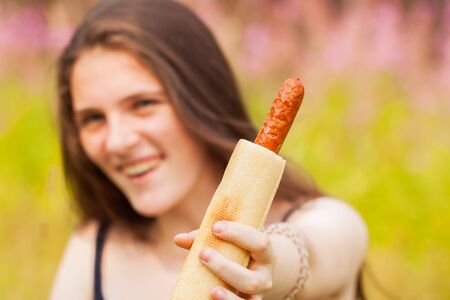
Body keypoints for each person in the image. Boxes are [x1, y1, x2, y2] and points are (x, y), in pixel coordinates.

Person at [50, 0, 368, 299]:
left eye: (144, 104)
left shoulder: (331, 221)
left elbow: (307, 255)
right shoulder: (94, 246)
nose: (118, 141)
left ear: (201, 98)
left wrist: (267, 260)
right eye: (93, 118)